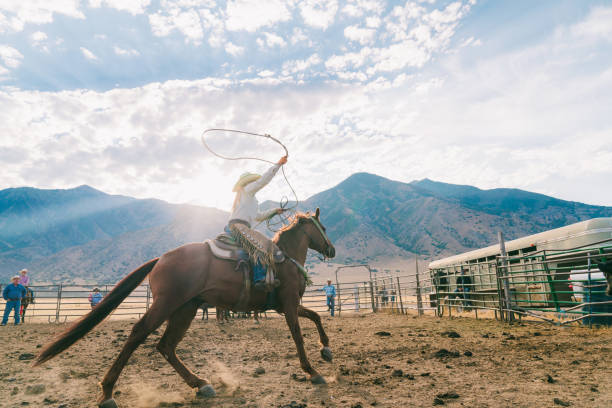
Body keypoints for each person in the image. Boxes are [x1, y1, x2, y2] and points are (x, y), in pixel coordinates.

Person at [227, 155, 288, 290]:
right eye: (250, 182)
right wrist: (277, 164)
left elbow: (259, 216)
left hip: (241, 226)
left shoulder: (250, 199)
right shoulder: (247, 191)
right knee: (259, 247)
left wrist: (274, 211)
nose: (252, 184)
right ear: (246, 184)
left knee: (264, 243)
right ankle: (259, 279)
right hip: (238, 226)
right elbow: (263, 181)